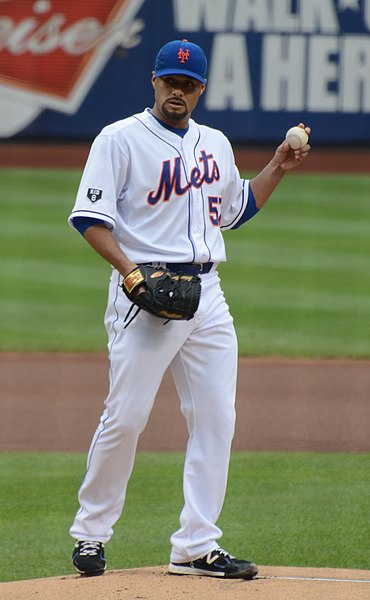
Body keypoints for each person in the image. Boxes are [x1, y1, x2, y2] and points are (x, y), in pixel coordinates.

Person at [68, 39, 311, 579]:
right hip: (144, 294)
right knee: (126, 417)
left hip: (207, 297)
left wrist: (277, 164)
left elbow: (235, 208)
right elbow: (90, 219)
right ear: (153, 82)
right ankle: (90, 534)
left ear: (201, 89)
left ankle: (195, 545)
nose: (177, 92)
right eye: (169, 82)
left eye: (188, 85)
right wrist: (131, 275)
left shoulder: (215, 143)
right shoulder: (120, 140)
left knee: (217, 419)